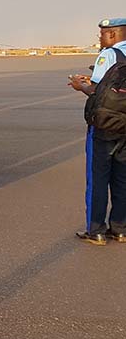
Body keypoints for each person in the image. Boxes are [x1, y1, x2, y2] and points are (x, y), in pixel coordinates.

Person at [68, 18, 126, 245]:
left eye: (102, 34)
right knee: (122, 178)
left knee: (98, 178)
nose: (99, 39)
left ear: (112, 34)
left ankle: (96, 230)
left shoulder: (109, 55)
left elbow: (96, 92)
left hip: (104, 126)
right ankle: (120, 228)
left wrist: (79, 84)